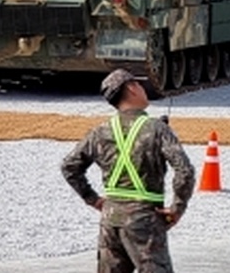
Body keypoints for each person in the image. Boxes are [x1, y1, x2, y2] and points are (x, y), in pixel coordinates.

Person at [61, 68, 196, 273]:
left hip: (110, 220)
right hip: (145, 219)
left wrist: (94, 199)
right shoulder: (157, 129)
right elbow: (185, 170)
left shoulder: (100, 131)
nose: (143, 88)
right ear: (132, 88)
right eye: (139, 84)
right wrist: (177, 208)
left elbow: (69, 166)